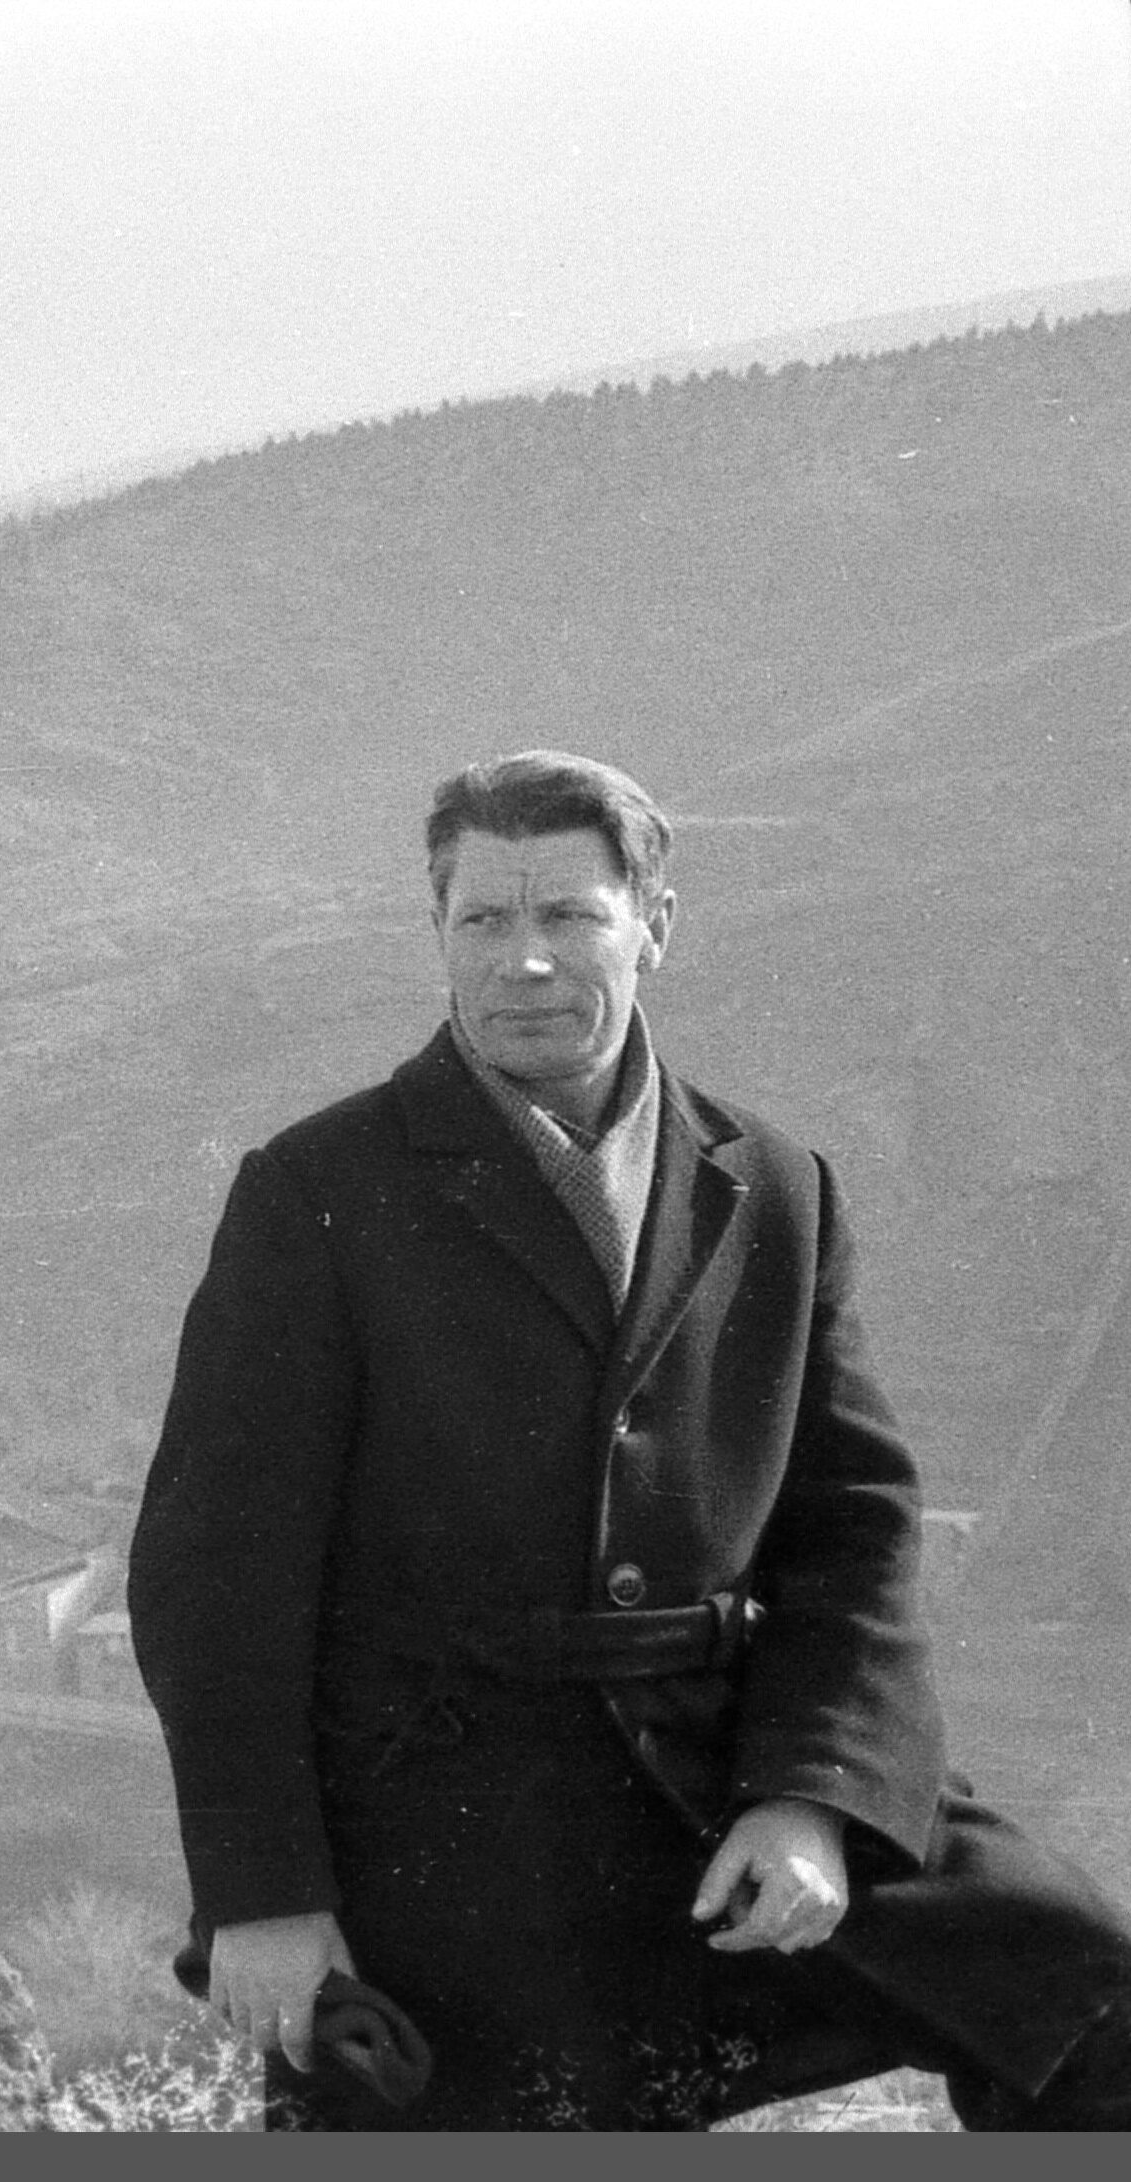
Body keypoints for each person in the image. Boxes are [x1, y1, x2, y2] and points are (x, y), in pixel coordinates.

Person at [128, 750, 1131, 2129]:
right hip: (447, 1821)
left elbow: (852, 1526)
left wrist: (812, 1794)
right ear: (436, 931)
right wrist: (263, 1896)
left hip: (717, 1775)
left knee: (1082, 1995)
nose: (524, 961)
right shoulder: (315, 1191)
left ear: (653, 924)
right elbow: (214, 1576)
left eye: (568, 916)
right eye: (483, 919)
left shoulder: (771, 1184)